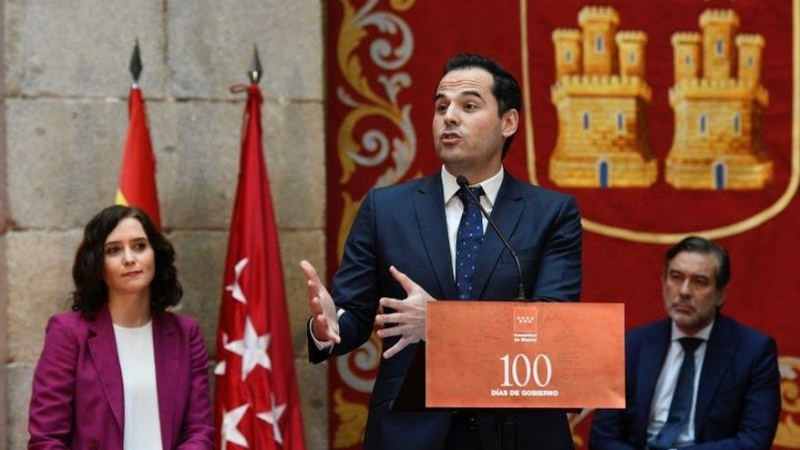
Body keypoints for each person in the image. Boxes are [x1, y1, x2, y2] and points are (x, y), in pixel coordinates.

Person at [301, 53, 582, 450]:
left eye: (468, 106)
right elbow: (354, 314)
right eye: (441, 106)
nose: (449, 116)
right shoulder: (387, 209)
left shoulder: (551, 213)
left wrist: (441, 324)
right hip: (411, 431)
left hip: (516, 426)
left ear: (509, 122)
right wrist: (328, 327)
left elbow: (552, 322)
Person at [27, 205, 214, 450]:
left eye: (139, 246)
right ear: (98, 266)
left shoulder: (185, 333)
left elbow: (199, 430)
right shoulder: (68, 332)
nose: (129, 258)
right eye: (114, 250)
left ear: (154, 255)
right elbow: (46, 438)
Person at [589, 236, 781, 450]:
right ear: (663, 283)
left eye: (699, 281)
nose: (684, 291)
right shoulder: (631, 346)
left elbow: (754, 442)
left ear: (721, 295)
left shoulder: (754, 352)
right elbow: (602, 439)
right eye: (676, 277)